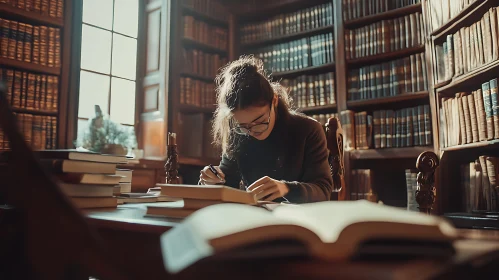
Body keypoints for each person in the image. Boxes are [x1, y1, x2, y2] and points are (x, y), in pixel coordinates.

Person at [199, 55, 333, 203]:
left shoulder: (308, 129)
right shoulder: (237, 133)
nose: (252, 131)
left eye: (260, 121)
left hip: (298, 222)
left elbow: (323, 191)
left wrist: (285, 189)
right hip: (253, 219)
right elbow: (227, 184)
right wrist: (211, 181)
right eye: (243, 126)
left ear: (274, 101)